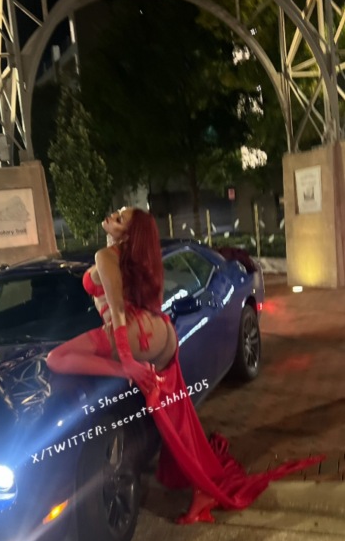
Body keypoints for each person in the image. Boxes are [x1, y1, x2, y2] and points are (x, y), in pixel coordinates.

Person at [47, 207, 324, 524]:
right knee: (178, 421)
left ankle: (204, 487)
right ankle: (203, 485)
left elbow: (118, 312)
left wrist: (127, 364)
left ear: (127, 233)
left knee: (57, 358)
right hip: (160, 331)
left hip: (132, 333)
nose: (112, 215)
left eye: (120, 218)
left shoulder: (105, 257)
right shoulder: (138, 257)